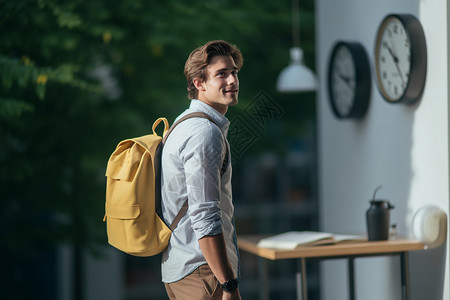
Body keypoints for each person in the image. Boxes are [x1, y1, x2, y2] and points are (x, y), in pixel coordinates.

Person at [160, 40, 243, 300]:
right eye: (221, 74)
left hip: (186, 269)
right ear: (199, 83)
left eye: (234, 72)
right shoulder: (204, 133)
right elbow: (205, 215)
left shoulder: (183, 123)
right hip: (203, 273)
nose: (232, 80)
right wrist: (229, 284)